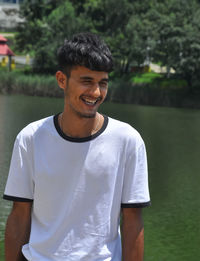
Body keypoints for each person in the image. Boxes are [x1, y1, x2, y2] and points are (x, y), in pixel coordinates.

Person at [3, 32, 150, 261]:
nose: (96, 92)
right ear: (62, 80)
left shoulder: (128, 141)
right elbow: (19, 217)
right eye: (87, 81)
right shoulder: (31, 138)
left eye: (103, 83)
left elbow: (133, 222)